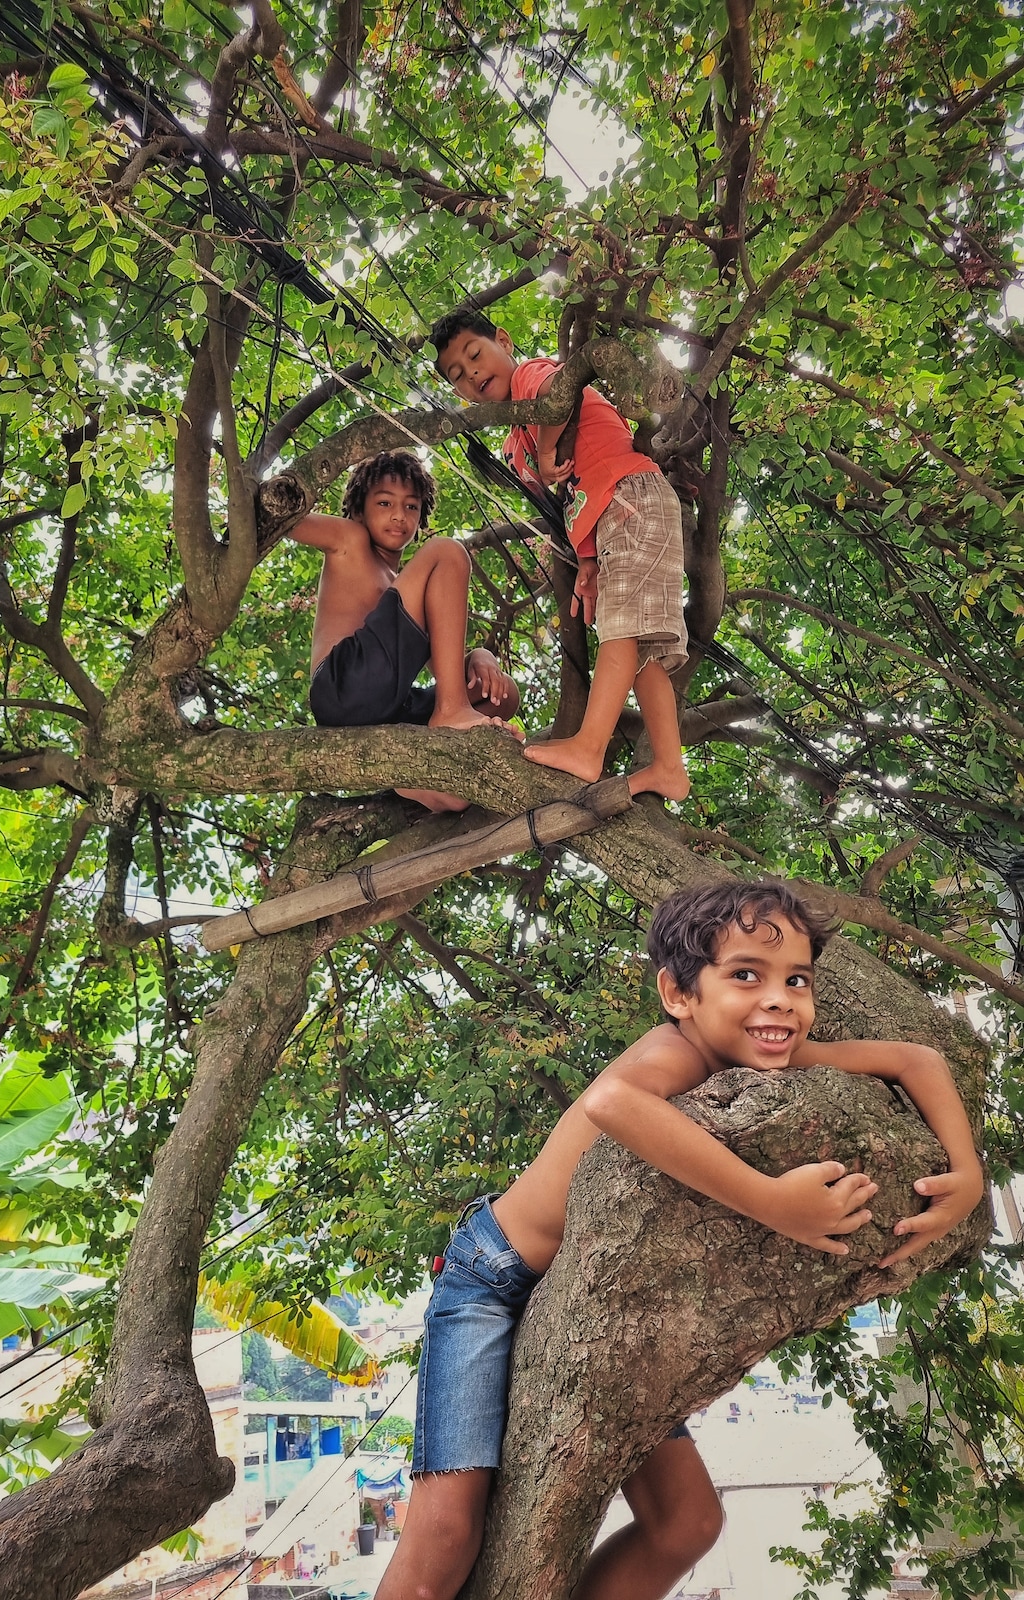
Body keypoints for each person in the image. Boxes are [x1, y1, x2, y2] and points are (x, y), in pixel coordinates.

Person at [375, 880, 984, 1600]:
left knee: (687, 1523)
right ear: (678, 994)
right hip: (493, 1278)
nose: (780, 1000)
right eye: (746, 975)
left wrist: (968, 1177)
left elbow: (917, 1060)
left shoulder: (765, 1056)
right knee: (447, 1535)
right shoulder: (676, 1052)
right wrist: (773, 1203)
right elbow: (612, 1102)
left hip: (592, 1311)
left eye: (797, 980)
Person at [432, 309, 688, 798]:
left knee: (621, 628)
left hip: (632, 497)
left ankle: (589, 748)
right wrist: (587, 562)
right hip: (610, 518)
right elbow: (572, 501)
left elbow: (557, 399)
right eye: (457, 375)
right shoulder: (516, 441)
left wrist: (548, 448)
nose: (471, 373)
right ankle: (669, 769)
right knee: (641, 648)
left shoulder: (530, 377)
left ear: (504, 341)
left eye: (475, 354)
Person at [289, 449, 521, 812]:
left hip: (386, 711)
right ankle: (451, 711)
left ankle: (416, 782)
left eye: (411, 506)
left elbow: (441, 665)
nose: (399, 515)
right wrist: (273, 491)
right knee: (448, 551)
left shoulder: (408, 588)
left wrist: (480, 656)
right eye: (384, 503)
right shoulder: (350, 540)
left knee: (502, 695)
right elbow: (283, 519)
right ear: (359, 509)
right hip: (343, 686)